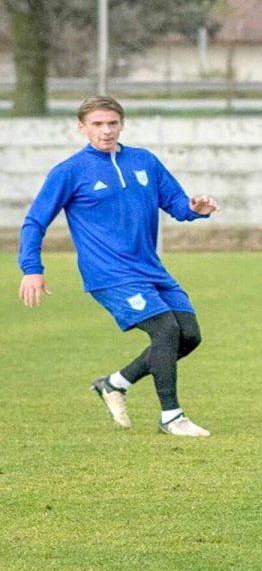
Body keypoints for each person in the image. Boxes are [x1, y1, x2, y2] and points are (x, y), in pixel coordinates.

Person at [18, 96, 219, 437]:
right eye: (97, 124)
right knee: (165, 330)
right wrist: (31, 268)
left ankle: (115, 384)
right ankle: (172, 417)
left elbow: (175, 202)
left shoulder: (144, 161)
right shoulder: (69, 171)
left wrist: (195, 209)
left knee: (189, 336)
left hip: (151, 269)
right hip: (109, 274)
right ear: (82, 127)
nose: (106, 131)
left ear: (122, 124)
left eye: (112, 123)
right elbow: (35, 221)